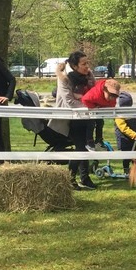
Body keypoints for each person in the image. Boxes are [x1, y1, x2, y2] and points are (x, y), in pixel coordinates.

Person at [47, 50, 97, 190]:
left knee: (86, 147)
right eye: (84, 64)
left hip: (87, 118)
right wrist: (89, 105)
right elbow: (69, 101)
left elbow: (95, 92)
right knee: (81, 147)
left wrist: (87, 101)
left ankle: (84, 178)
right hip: (72, 119)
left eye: (87, 63)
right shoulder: (65, 79)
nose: (87, 66)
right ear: (75, 66)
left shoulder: (88, 75)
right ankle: (70, 178)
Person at [82, 78, 121, 150]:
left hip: (100, 109)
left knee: (100, 122)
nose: (112, 97)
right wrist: (94, 107)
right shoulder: (94, 94)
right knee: (91, 123)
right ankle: (89, 141)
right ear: (104, 89)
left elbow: (112, 106)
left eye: (115, 96)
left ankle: (99, 140)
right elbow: (84, 100)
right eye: (110, 95)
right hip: (90, 109)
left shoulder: (112, 99)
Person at [114, 91, 136, 174]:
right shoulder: (119, 116)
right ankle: (126, 171)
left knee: (135, 156)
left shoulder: (131, 113)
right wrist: (133, 135)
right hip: (124, 140)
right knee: (126, 156)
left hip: (133, 140)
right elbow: (123, 128)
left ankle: (135, 170)